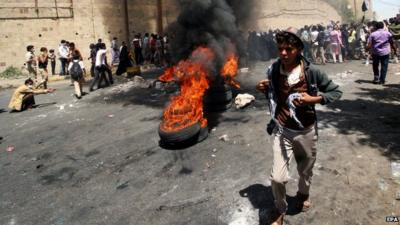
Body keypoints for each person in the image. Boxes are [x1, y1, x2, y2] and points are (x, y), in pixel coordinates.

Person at [256, 28, 342, 225]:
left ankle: (303, 195)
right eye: (280, 49)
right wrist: (263, 89)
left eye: (289, 49)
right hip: (282, 130)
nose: (283, 53)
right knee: (277, 178)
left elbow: (335, 92)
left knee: (305, 170)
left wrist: (315, 98)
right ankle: (280, 209)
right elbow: (275, 97)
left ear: (300, 49)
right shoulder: (274, 70)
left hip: (306, 131)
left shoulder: (312, 72)